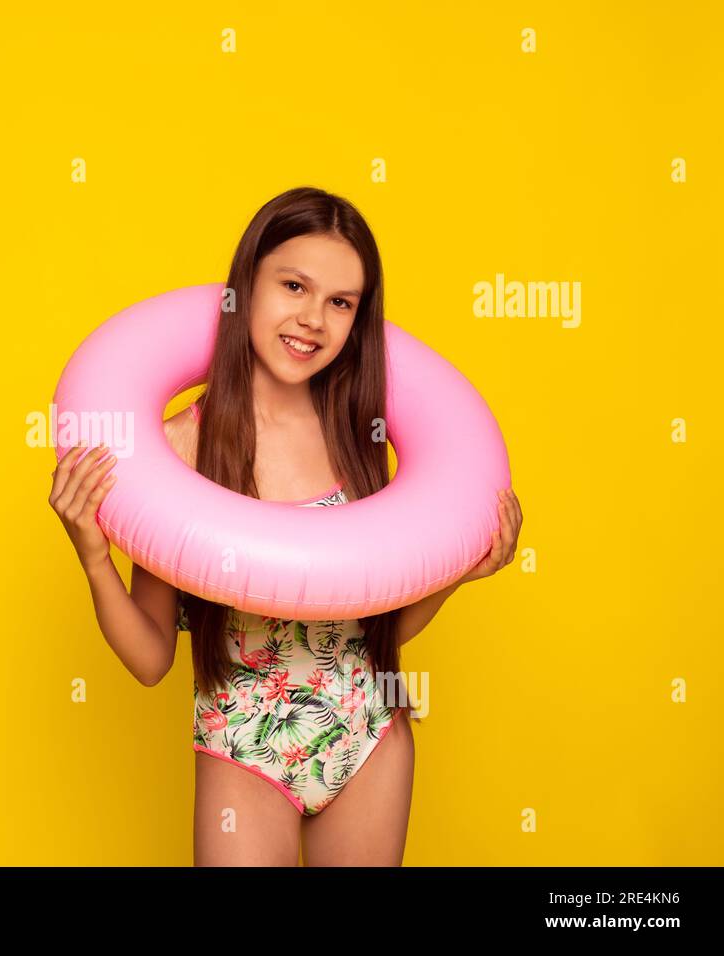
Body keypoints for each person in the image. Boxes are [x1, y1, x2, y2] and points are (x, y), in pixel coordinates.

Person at [49, 186, 523, 866]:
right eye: (294, 285)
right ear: (247, 284)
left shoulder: (363, 438)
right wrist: (94, 556)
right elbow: (152, 659)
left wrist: (457, 575)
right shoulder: (181, 453)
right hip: (243, 751)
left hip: (367, 735)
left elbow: (375, 625)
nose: (311, 320)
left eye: (340, 303)